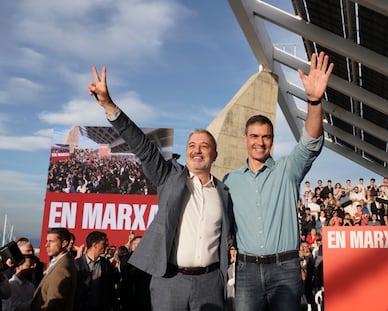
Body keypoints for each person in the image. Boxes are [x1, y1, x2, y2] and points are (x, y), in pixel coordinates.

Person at [88, 66, 234, 311]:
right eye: (192, 145)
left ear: (215, 154)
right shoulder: (169, 176)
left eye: (204, 146)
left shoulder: (224, 193)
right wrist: (109, 106)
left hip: (210, 284)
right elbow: (143, 146)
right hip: (170, 282)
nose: (197, 150)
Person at [223, 51, 334, 310]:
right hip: (246, 270)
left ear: (272, 140)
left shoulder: (288, 170)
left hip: (285, 268)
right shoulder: (230, 180)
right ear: (245, 139)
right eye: (254, 136)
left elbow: (311, 141)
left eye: (266, 137)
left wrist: (314, 101)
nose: (259, 142)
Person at [31, 227, 77, 311]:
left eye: (51, 241)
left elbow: (54, 304)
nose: (46, 245)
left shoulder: (62, 269)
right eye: (47, 241)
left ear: (64, 243)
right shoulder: (60, 262)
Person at [74, 231, 117, 311]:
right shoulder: (76, 265)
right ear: (95, 245)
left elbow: (110, 288)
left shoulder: (106, 264)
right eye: (104, 244)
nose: (107, 246)